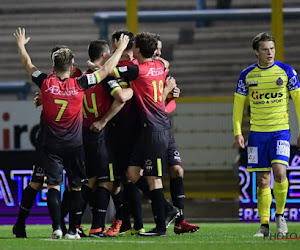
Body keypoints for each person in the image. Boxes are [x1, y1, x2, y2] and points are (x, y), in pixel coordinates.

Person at [14, 27, 129, 239]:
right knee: (76, 187)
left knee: (53, 186)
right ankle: (71, 229)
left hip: (51, 145)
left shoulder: (46, 84)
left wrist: (21, 45)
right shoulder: (79, 84)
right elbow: (105, 71)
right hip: (75, 145)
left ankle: (57, 227)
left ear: (53, 65)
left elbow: (28, 65)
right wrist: (120, 49)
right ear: (72, 65)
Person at [112, 32, 180, 236]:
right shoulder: (159, 66)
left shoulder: (136, 70)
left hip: (155, 129)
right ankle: (168, 208)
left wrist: (117, 51)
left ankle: (161, 226)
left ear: (138, 50)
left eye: (133, 47)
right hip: (148, 129)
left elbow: (109, 72)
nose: (131, 49)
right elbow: (165, 63)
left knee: (153, 178)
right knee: (133, 173)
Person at [233, 32, 300, 237]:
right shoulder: (247, 75)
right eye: (265, 49)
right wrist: (238, 132)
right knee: (262, 180)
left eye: (272, 48)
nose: (270, 53)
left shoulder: (286, 72)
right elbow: (238, 106)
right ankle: (264, 226)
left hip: (280, 132)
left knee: (279, 173)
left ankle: (280, 216)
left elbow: (298, 102)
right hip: (256, 135)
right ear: (256, 52)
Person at [12, 45, 82, 238]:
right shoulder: (78, 80)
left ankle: (60, 225)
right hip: (51, 139)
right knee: (38, 181)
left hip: (56, 140)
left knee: (58, 184)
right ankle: (24, 224)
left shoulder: (56, 81)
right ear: (71, 63)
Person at [80, 39, 133, 238]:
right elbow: (120, 96)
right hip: (106, 134)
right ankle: (101, 225)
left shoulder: (83, 78)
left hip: (86, 135)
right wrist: (134, 89)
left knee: (92, 181)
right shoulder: (104, 78)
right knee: (108, 180)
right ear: (105, 56)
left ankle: (73, 223)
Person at [153, 34, 200, 234]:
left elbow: (171, 102)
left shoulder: (164, 70)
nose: (159, 53)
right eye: (156, 49)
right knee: (145, 177)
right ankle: (155, 217)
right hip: (149, 129)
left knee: (177, 171)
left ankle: (180, 220)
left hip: (164, 126)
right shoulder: (142, 72)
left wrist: (169, 100)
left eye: (161, 50)